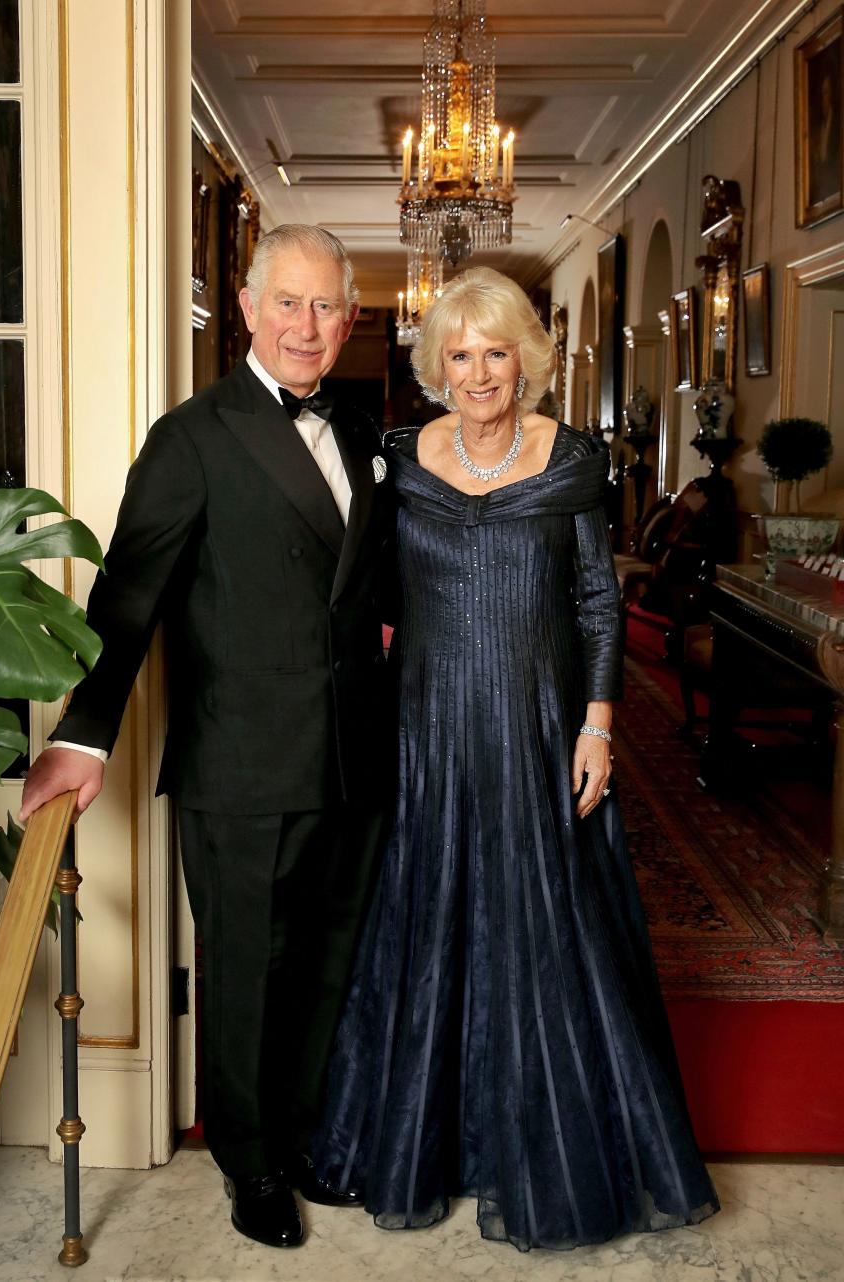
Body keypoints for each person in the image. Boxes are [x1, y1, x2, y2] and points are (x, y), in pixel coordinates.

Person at [312, 267, 719, 1251]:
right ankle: (429, 1140)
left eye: (498, 351)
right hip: (429, 729)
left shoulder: (570, 460)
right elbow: (351, 588)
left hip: (540, 726)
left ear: (527, 360)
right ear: (436, 366)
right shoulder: (400, 462)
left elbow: (595, 602)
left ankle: (546, 1143)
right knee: (431, 921)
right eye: (461, 353)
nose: (481, 370)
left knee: (544, 929)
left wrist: (597, 726)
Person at [20, 225, 394, 1250]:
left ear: (350, 319)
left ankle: (306, 1134)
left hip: (356, 755)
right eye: (288, 303)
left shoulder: (365, 432)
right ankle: (250, 1160)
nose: (307, 326)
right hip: (242, 758)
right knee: (246, 967)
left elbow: (375, 583)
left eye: (326, 307)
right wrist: (83, 739)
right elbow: (127, 598)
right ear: (246, 307)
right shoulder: (192, 435)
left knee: (327, 958)